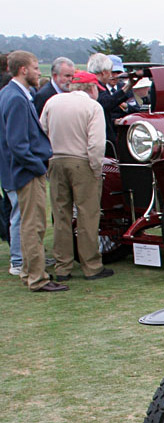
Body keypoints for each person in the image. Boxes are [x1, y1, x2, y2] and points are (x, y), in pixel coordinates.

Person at [0, 50, 64, 292]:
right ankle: (38, 278)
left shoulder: (10, 93)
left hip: (19, 171)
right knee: (33, 225)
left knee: (27, 223)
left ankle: (29, 271)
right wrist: (38, 167)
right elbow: (17, 144)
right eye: (36, 68)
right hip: (26, 172)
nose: (40, 72)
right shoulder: (16, 98)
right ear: (23, 70)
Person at [40, 70, 112, 282]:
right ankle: (91, 265)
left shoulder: (52, 102)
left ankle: (63, 266)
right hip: (82, 161)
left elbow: (42, 130)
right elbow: (97, 143)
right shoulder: (92, 107)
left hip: (56, 160)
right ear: (90, 88)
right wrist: (96, 167)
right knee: (87, 215)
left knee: (61, 214)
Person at [87, 53, 137, 144]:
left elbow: (136, 108)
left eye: (118, 73)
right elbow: (106, 103)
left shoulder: (95, 85)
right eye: (112, 72)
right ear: (104, 72)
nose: (114, 76)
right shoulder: (93, 86)